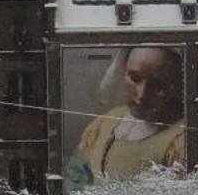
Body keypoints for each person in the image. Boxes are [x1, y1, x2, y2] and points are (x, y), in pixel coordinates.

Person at [63, 44, 186, 187]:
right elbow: (73, 180)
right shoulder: (106, 122)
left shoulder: (182, 140)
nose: (142, 95)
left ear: (175, 83)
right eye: (134, 78)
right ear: (122, 72)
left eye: (157, 84)